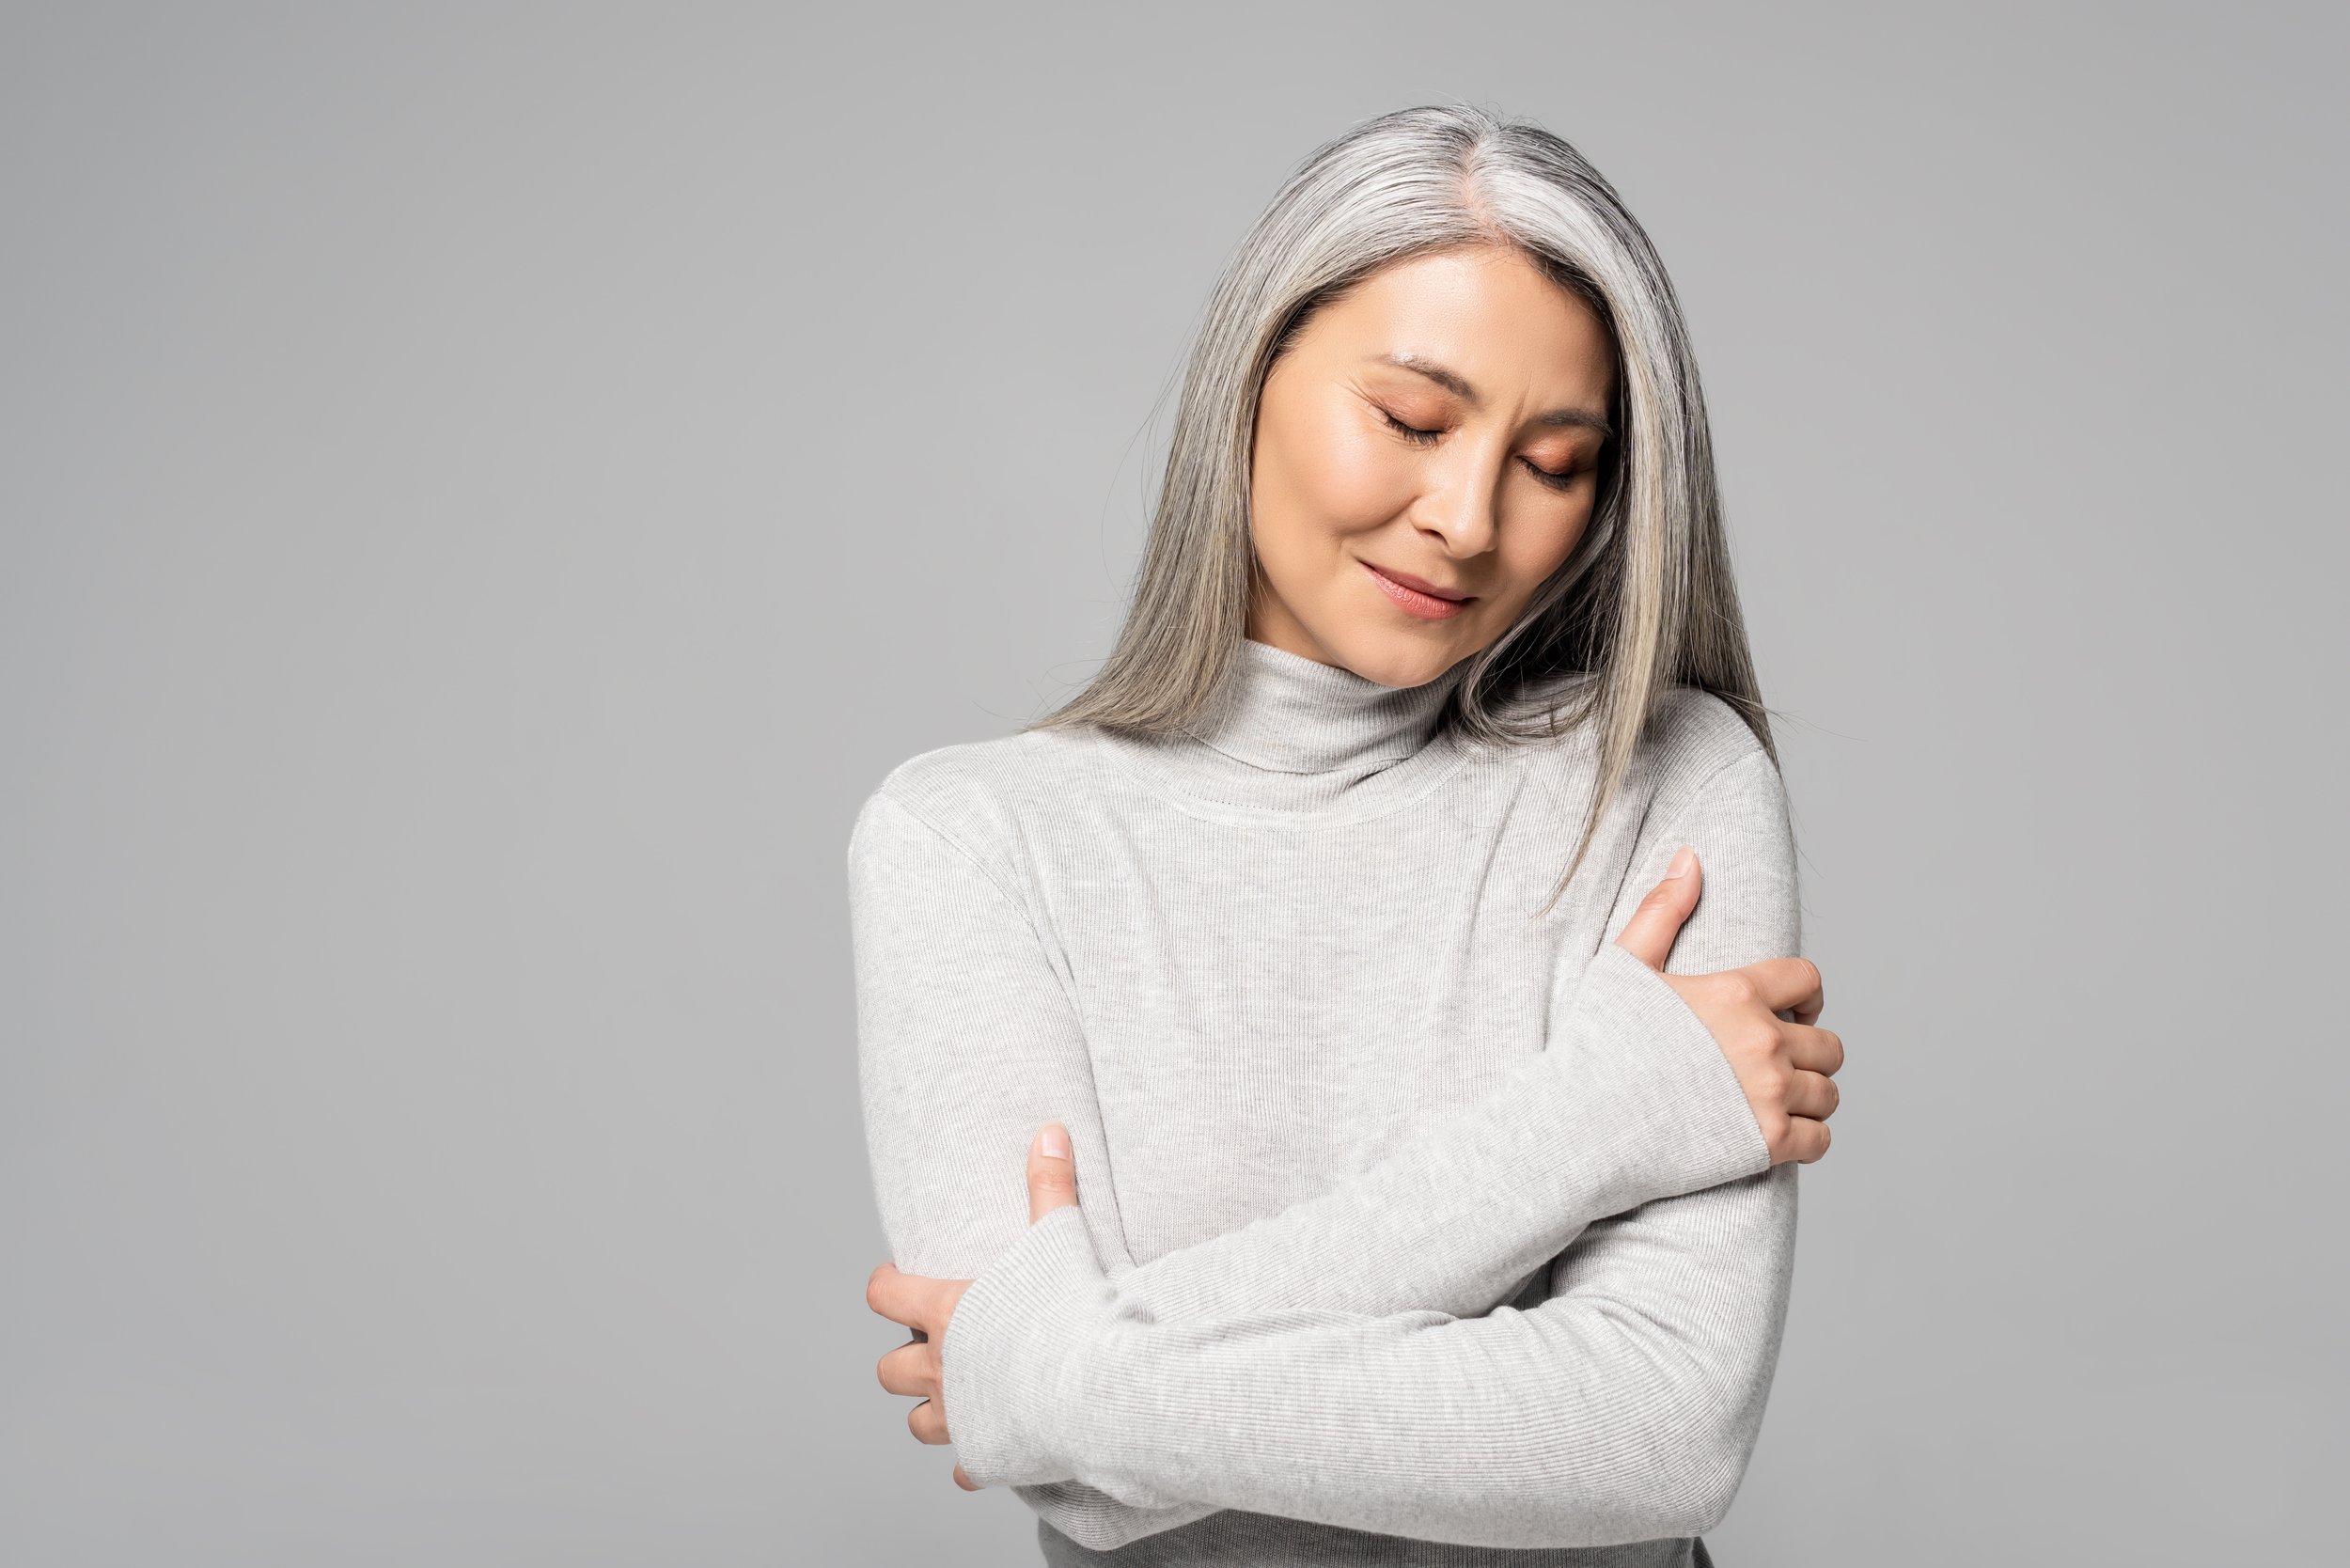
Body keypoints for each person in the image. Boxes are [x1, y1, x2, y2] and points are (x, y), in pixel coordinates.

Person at [850, 102, 1846, 1568]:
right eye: (1413, 421)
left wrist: (1063, 1372)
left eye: (1555, 461)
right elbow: (1072, 1488)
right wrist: (1597, 1122)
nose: (1466, 515)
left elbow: (1657, 1436)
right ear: (1251, 377)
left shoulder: (1667, 778)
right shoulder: (972, 843)